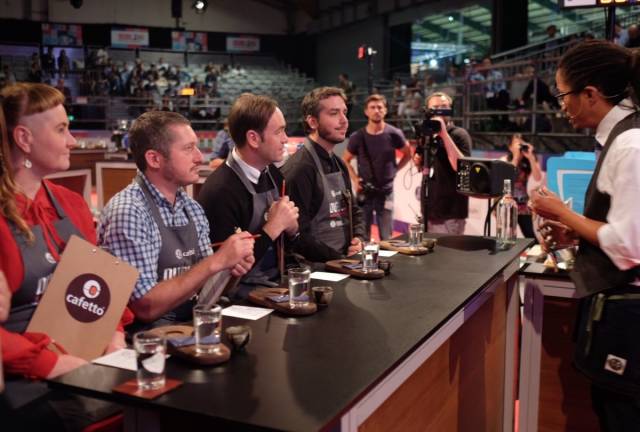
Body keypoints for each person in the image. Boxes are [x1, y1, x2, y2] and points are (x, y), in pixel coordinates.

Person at [0, 83, 129, 430]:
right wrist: (51, 365)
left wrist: (114, 335)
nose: (72, 141)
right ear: (24, 139)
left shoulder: (71, 204)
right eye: (61, 130)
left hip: (82, 359)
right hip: (22, 381)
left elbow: (100, 284)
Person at [530, 40, 640, 432]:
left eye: (563, 95)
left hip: (629, 315)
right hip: (619, 308)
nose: (561, 105)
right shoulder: (622, 138)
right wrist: (574, 233)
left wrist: (561, 213)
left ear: (590, 94)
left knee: (622, 416)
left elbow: (630, 245)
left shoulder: (630, 144)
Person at [98, 111, 255, 329]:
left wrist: (231, 270)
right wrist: (216, 261)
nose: (200, 157)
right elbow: (144, 308)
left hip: (188, 327)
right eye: (188, 148)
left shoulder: (192, 208)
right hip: (145, 339)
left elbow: (204, 292)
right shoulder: (129, 212)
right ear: (154, 159)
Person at [198, 94, 299, 299]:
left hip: (277, 283)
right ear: (253, 138)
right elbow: (224, 273)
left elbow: (290, 244)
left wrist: (293, 230)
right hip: (238, 298)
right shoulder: (220, 191)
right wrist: (273, 227)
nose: (285, 139)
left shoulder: (274, 174)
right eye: (278, 131)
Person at [281, 87, 366, 263]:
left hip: (342, 262)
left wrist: (358, 239)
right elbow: (298, 236)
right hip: (315, 268)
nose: (344, 120)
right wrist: (340, 260)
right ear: (313, 122)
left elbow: (354, 210)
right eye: (334, 113)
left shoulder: (339, 163)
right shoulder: (300, 169)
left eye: (344, 112)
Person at [342, 94, 411, 240]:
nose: (376, 110)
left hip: (386, 191)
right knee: (362, 237)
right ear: (366, 111)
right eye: (372, 107)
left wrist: (395, 170)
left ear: (385, 110)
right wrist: (355, 179)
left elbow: (408, 153)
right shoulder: (357, 136)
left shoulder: (394, 133)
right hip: (364, 191)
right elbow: (345, 160)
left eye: (380, 107)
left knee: (387, 237)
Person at [415, 92, 472, 234]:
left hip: (451, 212)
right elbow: (420, 164)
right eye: (435, 107)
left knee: (448, 249)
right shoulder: (427, 135)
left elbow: (461, 167)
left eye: (444, 107)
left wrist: (444, 134)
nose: (440, 111)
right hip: (428, 210)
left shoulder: (459, 134)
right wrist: (417, 158)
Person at [502, 133, 542, 239]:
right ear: (510, 147)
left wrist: (531, 157)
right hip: (508, 203)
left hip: (523, 205)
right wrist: (515, 157)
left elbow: (538, 177)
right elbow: (507, 176)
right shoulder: (504, 160)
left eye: (521, 143)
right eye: (517, 144)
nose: (519, 147)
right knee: (508, 236)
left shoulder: (528, 161)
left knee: (530, 235)